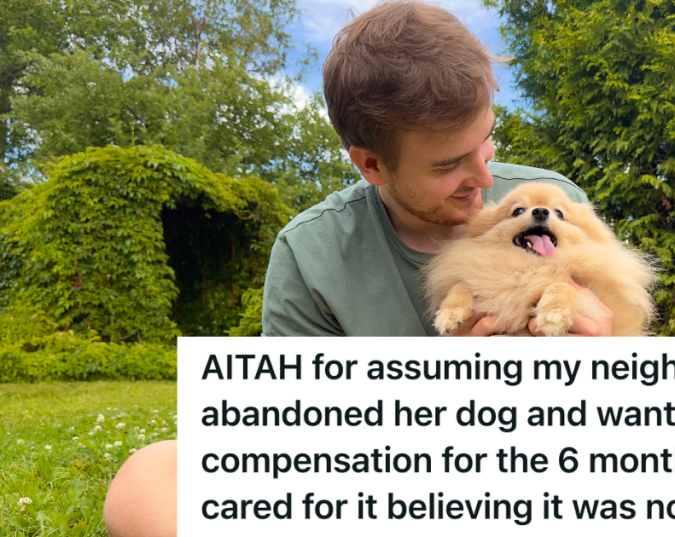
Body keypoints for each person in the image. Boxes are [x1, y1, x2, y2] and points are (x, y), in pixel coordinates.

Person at [102, 2, 613, 535]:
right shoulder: (310, 254)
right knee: (151, 473)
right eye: (447, 165)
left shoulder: (552, 202)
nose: (485, 179)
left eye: (486, 137)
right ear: (370, 164)